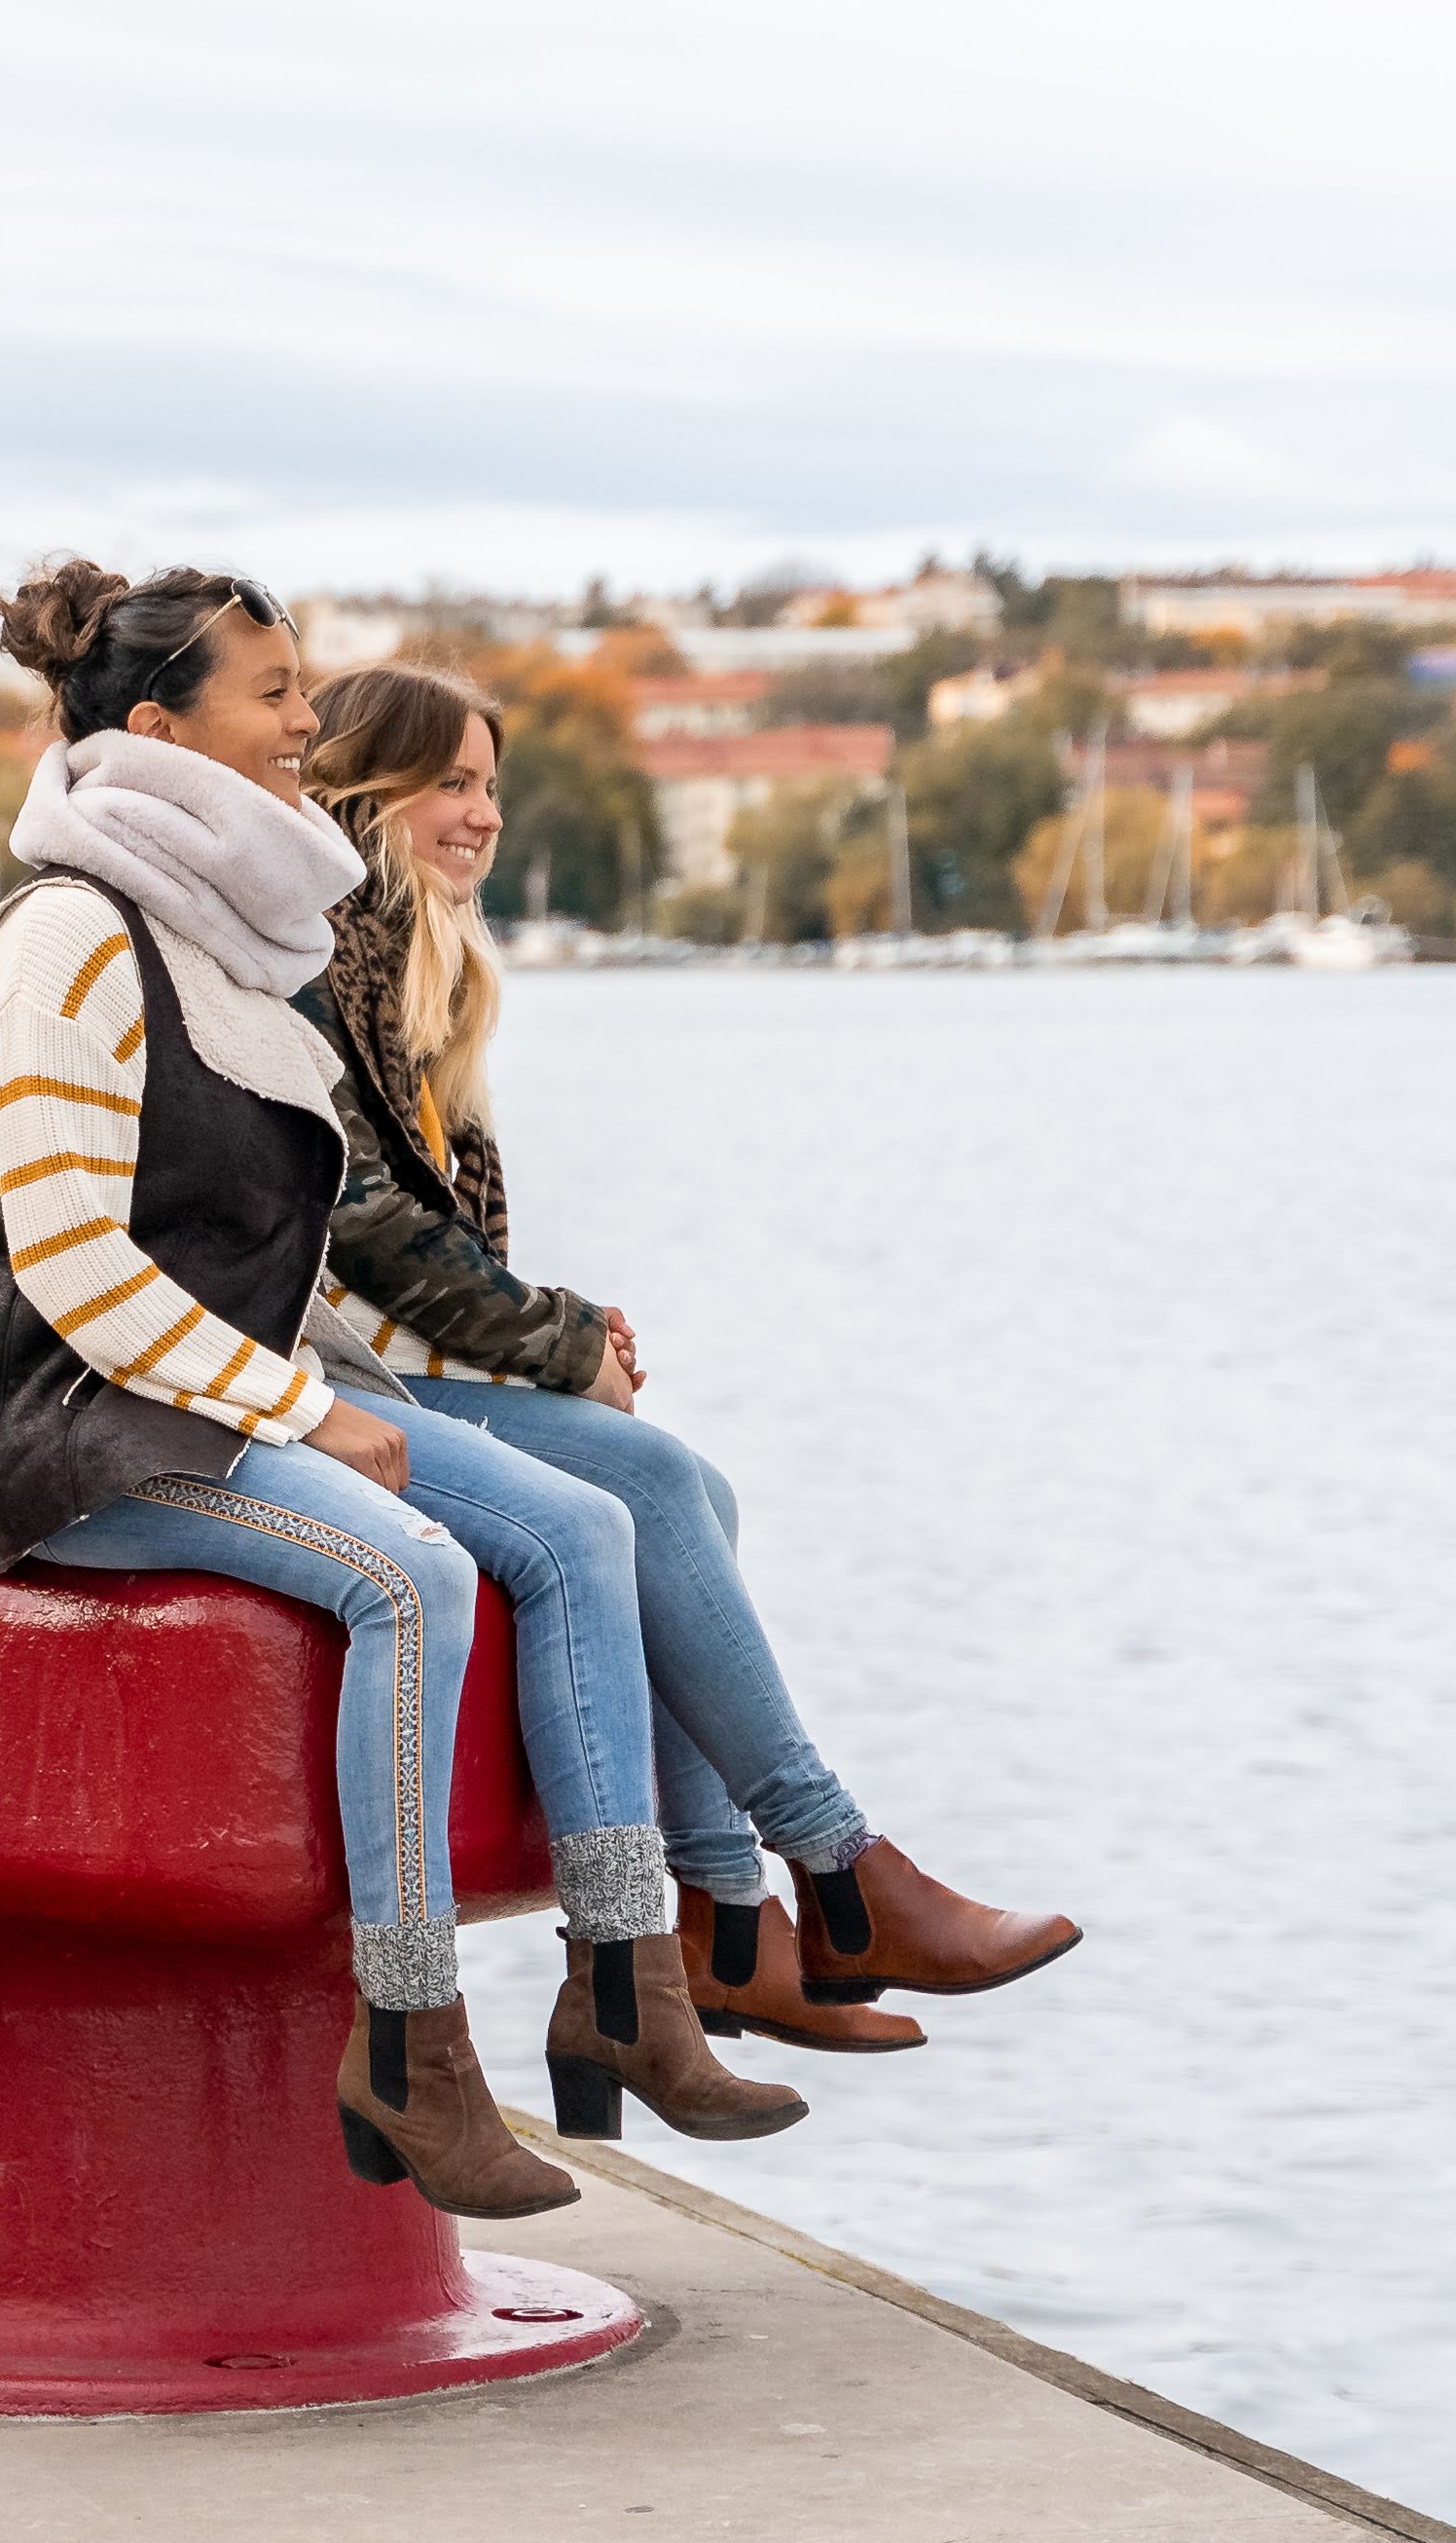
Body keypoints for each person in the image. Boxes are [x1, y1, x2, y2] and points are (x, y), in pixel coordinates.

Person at [0, 561, 803, 2230]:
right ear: (156, 721)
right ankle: (410, 2036)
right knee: (411, 1574)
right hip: (76, 1427)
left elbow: (281, 1236)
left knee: (574, 1519)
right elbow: (67, 1264)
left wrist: (365, 1374)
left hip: (222, 1399)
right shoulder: (70, 934)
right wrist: (303, 1407)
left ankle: (630, 1974)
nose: (307, 724)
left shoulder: (230, 930)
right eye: (272, 694)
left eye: (302, 688)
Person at [290, 657, 1079, 2050]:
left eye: (491, 787)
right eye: (451, 785)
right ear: (367, 790)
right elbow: (359, 1229)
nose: (480, 816)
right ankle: (829, 1868)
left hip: (405, 1365)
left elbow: (441, 1231)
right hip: (328, 1383)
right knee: (651, 1488)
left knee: (690, 1487)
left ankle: (731, 1924)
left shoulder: (424, 967)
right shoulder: (313, 961)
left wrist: (563, 1327)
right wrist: (558, 1342)